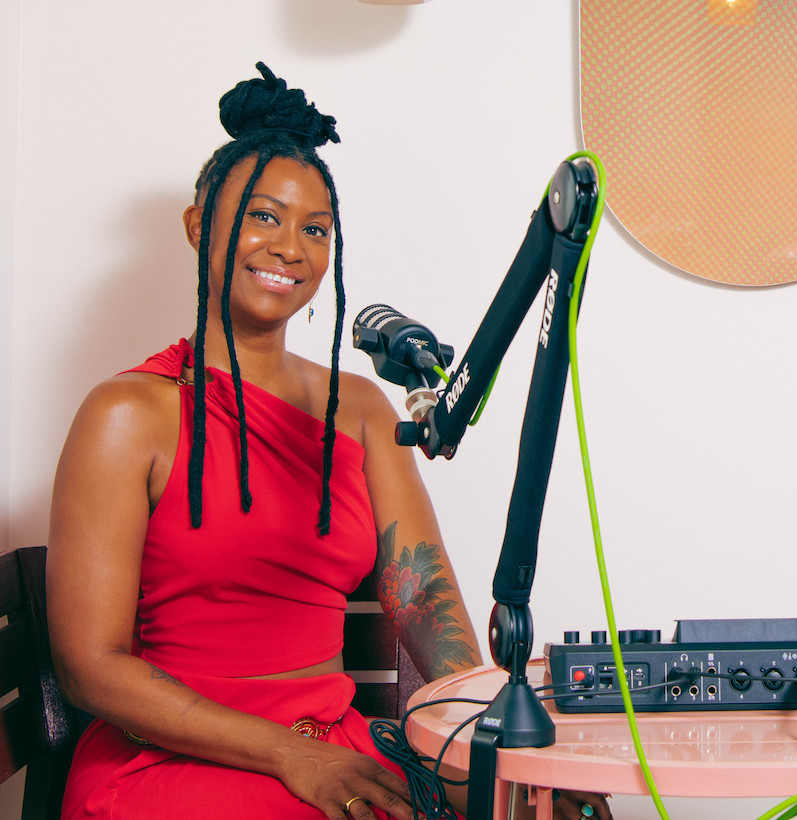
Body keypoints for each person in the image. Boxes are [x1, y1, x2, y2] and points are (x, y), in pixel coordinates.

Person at [48, 63, 612, 820]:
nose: (290, 247)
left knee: (554, 807)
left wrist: (492, 746)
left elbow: (422, 602)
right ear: (197, 225)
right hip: (179, 753)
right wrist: (289, 754)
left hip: (335, 738)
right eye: (263, 216)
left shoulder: (363, 412)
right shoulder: (129, 415)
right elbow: (90, 668)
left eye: (315, 228)